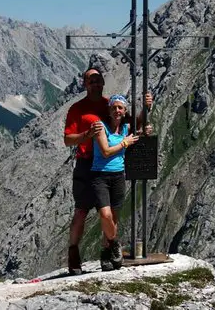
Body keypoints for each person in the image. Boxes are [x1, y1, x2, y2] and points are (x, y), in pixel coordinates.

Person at [63, 68, 152, 275]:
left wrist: (146, 113)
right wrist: (87, 134)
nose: (95, 83)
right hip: (87, 164)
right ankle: (74, 255)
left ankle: (107, 253)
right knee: (81, 211)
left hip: (109, 165)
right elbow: (68, 140)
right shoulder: (77, 108)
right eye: (91, 80)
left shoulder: (109, 104)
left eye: (98, 80)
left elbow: (131, 124)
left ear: (103, 83)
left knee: (111, 214)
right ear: (85, 84)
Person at [91, 94, 139, 271]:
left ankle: (106, 255)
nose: (117, 110)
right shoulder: (100, 126)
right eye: (114, 107)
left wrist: (148, 106)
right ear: (109, 110)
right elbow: (105, 151)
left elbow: (140, 126)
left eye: (120, 107)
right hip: (100, 176)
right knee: (105, 215)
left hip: (118, 176)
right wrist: (125, 144)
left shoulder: (126, 128)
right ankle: (114, 244)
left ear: (125, 111)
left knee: (114, 217)